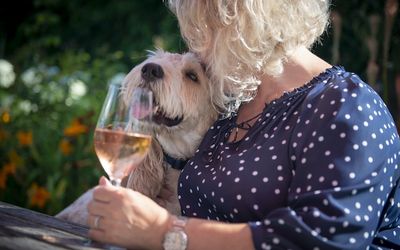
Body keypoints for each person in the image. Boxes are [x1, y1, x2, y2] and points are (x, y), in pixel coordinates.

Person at [87, 1, 400, 249]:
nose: (195, 47)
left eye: (204, 30)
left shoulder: (346, 107)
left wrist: (166, 233)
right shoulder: (231, 104)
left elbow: (321, 241)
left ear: (244, 26)